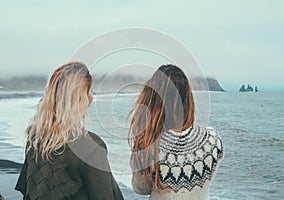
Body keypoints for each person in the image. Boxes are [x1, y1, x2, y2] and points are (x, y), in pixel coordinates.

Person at [15, 62, 124, 200]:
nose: (92, 96)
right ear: (80, 98)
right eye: (90, 91)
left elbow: (28, 191)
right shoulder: (90, 146)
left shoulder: (35, 138)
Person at [128, 64, 224, 200]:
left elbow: (140, 189)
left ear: (152, 100)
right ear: (188, 97)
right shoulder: (213, 139)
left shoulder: (149, 144)